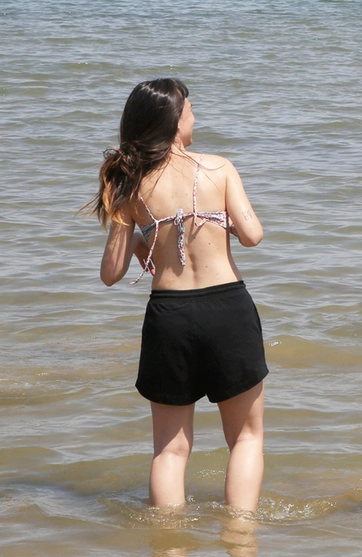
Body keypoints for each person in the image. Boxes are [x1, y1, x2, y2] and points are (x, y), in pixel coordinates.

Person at [90, 79, 267, 511]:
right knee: (245, 437)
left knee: (170, 451)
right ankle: (240, 537)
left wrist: (139, 239)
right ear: (173, 119)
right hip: (227, 307)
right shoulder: (219, 168)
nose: (195, 117)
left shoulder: (126, 184)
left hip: (170, 316)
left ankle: (168, 544)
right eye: (190, 109)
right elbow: (253, 235)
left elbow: (110, 273)